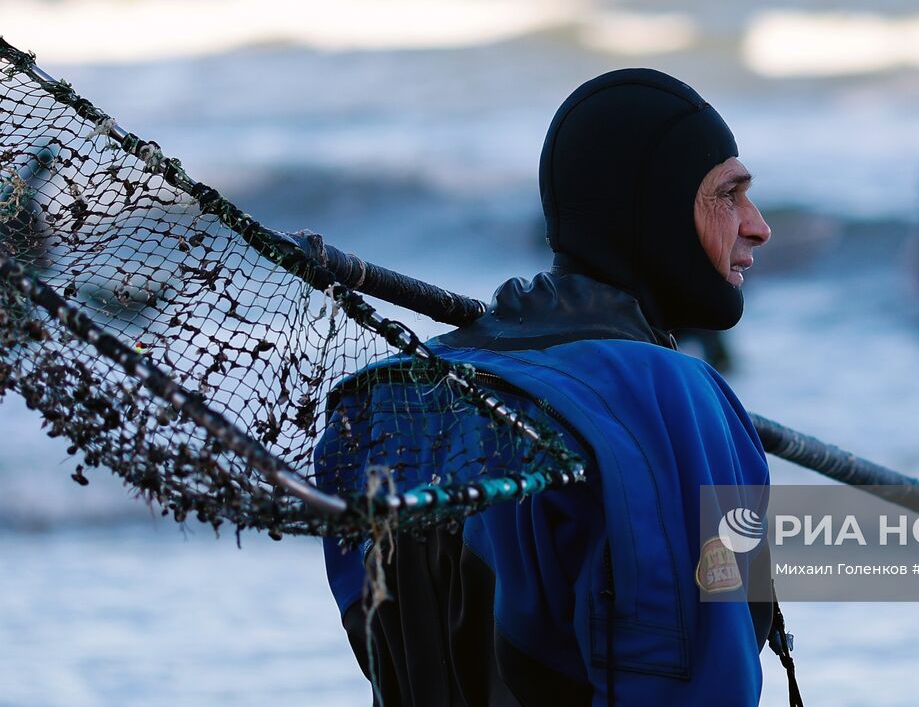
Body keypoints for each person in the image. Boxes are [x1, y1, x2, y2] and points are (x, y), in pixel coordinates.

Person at [318, 69, 795, 707]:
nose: (758, 225)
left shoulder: (396, 397)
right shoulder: (671, 398)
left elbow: (378, 640)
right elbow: (697, 677)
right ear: (650, 212)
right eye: (727, 195)